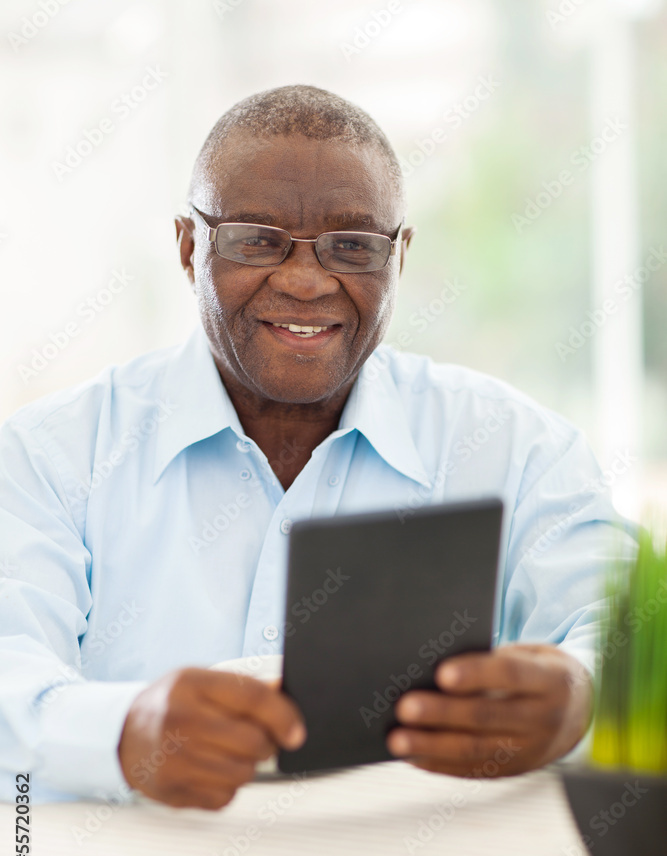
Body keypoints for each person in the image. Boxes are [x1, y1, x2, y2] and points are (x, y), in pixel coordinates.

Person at [0, 85, 633, 810]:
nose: (305, 281)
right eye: (255, 239)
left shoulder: (516, 449)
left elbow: (625, 631)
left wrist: (580, 698)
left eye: (353, 246)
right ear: (187, 247)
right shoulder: (50, 455)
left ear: (399, 257)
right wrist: (120, 733)